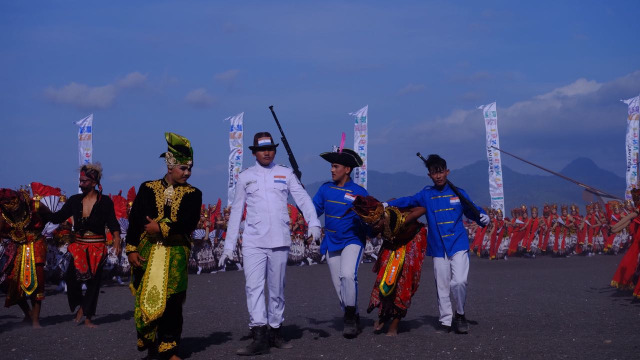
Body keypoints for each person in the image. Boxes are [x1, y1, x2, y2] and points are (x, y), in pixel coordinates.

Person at [219, 132, 321, 356]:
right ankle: (258, 335)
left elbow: (302, 198)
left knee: (277, 290)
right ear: (254, 152)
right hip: (253, 241)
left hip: (279, 240)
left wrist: (314, 222)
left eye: (270, 148)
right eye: (262, 149)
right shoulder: (245, 177)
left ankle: (275, 331)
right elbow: (236, 211)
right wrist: (228, 246)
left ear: (274, 150)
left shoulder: (285, 173)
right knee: (253, 287)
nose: (266, 152)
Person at [384, 154, 489, 334]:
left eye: (441, 172)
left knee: (459, 282)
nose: (438, 176)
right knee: (442, 285)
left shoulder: (459, 192)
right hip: (438, 247)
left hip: (458, 244)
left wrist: (482, 217)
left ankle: (461, 314)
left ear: (447, 172)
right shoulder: (426, 194)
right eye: (434, 173)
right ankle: (446, 321)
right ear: (429, 176)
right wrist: (387, 204)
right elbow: (408, 200)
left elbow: (472, 210)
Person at [127, 133, 202, 360]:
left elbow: (188, 223)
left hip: (176, 253)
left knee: (173, 300)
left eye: (189, 168)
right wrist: (131, 249)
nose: (187, 173)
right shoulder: (147, 188)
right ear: (170, 166)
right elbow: (135, 219)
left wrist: (160, 228)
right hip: (147, 251)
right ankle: (151, 345)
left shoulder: (193, 194)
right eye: (182, 168)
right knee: (145, 298)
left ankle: (169, 348)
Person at [42, 163, 121, 328]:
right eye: (80, 181)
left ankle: (88, 318)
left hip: (97, 247)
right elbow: (58, 217)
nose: (80, 184)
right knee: (71, 278)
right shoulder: (74, 200)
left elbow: (113, 224)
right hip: (79, 246)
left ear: (93, 182)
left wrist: (117, 241)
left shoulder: (105, 202)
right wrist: (42, 212)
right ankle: (82, 306)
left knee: (93, 282)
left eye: (84, 181)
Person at [350, 195, 428, 336]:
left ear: (382, 217)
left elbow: (423, 209)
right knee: (384, 278)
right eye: (371, 225)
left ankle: (395, 323)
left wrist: (405, 207)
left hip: (412, 240)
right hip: (392, 243)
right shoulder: (375, 224)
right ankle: (384, 315)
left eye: (376, 224)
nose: (374, 228)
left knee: (404, 282)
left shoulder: (399, 218)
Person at [312, 147, 369, 338]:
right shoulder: (325, 189)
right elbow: (312, 212)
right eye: (331, 166)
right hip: (331, 242)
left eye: (335, 166)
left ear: (347, 169)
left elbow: (369, 218)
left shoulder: (359, 192)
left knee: (347, 276)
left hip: (353, 240)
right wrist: (301, 200)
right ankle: (353, 313)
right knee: (339, 285)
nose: (331, 170)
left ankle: (350, 318)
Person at [0, 188, 48, 328]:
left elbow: (52, 217)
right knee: (11, 281)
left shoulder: (35, 204)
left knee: (37, 280)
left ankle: (35, 320)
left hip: (36, 244)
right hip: (17, 246)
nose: (13, 210)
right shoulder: (3, 212)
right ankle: (28, 314)